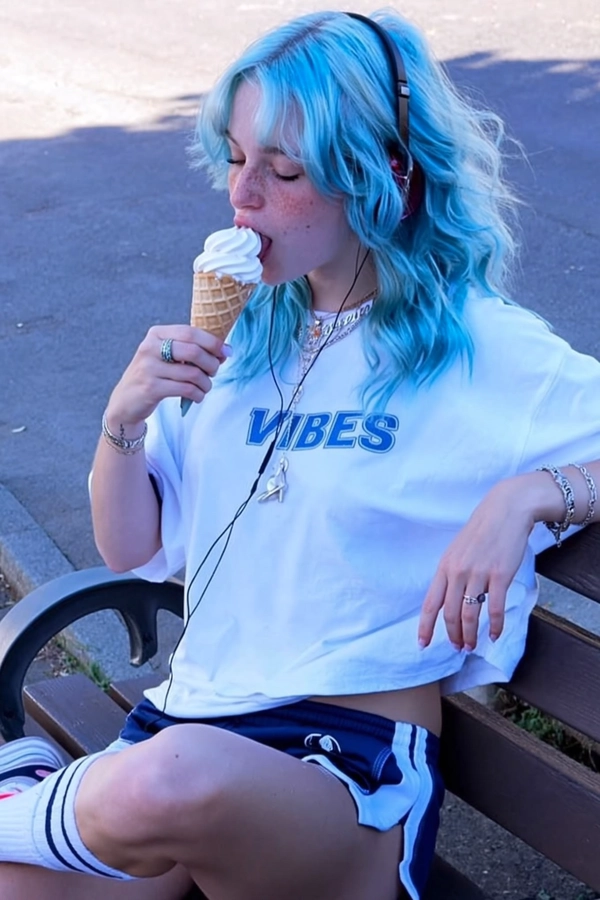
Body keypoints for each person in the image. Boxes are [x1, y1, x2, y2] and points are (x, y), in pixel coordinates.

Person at [0, 9, 599, 900]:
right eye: (235, 158)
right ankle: (36, 801)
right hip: (188, 721)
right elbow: (130, 549)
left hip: (345, 772)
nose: (242, 196)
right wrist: (123, 422)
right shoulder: (242, 337)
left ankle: (25, 793)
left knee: (173, 780)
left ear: (386, 177)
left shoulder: (485, 348)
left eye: (283, 171)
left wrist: (529, 496)